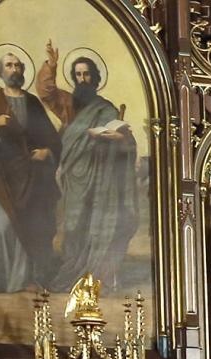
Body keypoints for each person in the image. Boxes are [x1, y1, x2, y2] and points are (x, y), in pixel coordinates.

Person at [36, 42, 138, 288]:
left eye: (86, 74)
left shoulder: (107, 109)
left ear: (95, 77)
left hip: (100, 177)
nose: (82, 79)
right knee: (73, 225)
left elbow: (126, 140)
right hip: (73, 175)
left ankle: (96, 272)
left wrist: (117, 138)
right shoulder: (69, 104)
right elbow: (46, 93)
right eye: (78, 74)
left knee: (96, 223)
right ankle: (73, 269)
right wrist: (51, 65)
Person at [0, 48, 61, 293]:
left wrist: (47, 152)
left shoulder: (32, 103)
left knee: (30, 224)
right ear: (1, 72)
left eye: (18, 65)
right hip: (2, 176)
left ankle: (27, 278)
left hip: (31, 175)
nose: (14, 70)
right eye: (9, 65)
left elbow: (51, 138)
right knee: (2, 226)